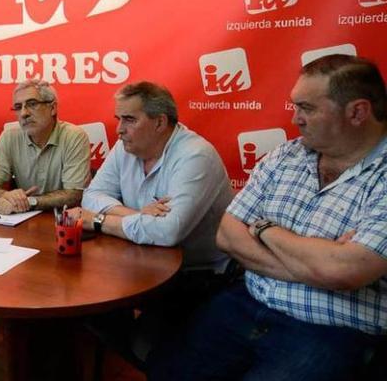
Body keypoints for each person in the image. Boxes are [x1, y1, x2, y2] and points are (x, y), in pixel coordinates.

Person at [148, 55, 387, 381]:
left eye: (307, 108)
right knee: (165, 370)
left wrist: (263, 227)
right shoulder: (286, 155)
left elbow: (345, 271)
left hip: (335, 329)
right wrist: (319, 263)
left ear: (357, 112)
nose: (295, 119)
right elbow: (228, 235)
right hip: (247, 302)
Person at [67, 82, 235, 361]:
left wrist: (98, 221)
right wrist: (136, 215)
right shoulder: (126, 147)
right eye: (118, 119)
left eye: (129, 119)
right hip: (140, 262)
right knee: (85, 309)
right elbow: (92, 195)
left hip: (198, 275)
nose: (119, 129)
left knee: (150, 348)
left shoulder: (195, 155)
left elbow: (168, 233)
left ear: (159, 122)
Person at [0, 79, 89, 213]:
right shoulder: (10, 136)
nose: (23, 113)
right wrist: (5, 195)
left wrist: (29, 202)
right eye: (18, 107)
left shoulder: (74, 136)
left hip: (63, 220)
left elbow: (74, 195)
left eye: (32, 104)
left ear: (53, 108)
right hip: (24, 222)